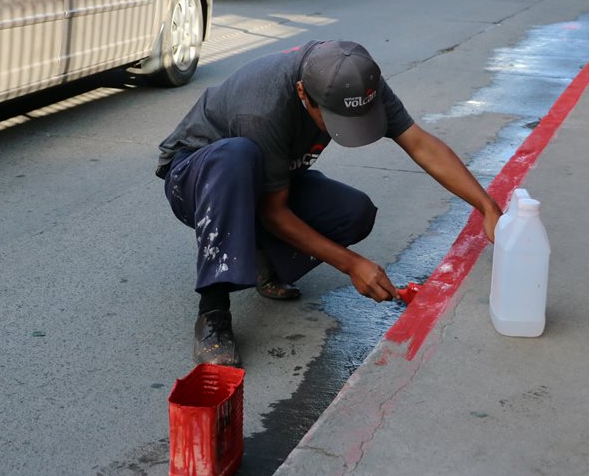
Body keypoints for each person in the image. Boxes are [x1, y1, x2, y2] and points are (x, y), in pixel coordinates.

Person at [156, 40, 504, 366]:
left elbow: (420, 144)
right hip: (197, 177)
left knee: (354, 213)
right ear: (303, 95)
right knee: (236, 156)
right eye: (335, 120)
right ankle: (213, 311)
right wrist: (351, 264)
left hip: (268, 180)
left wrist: (486, 207)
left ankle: (265, 259)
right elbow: (273, 212)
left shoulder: (356, 80)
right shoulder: (262, 109)